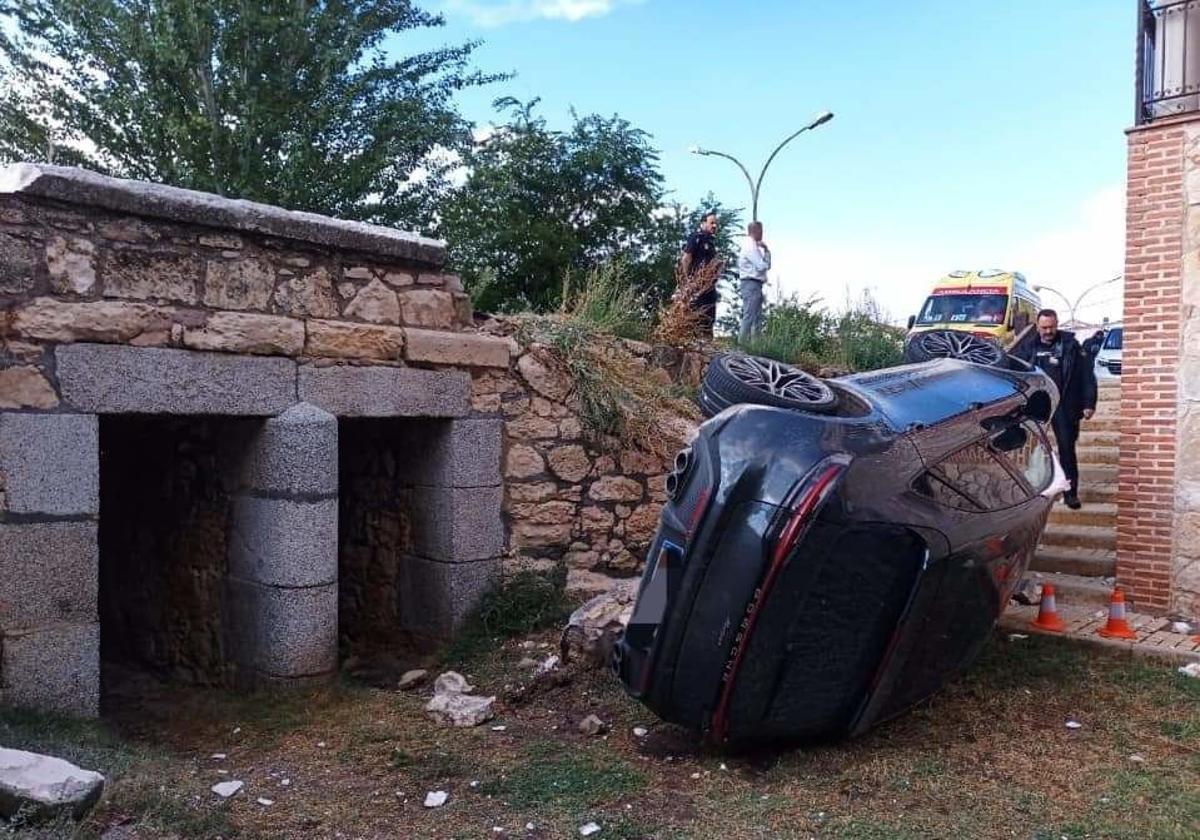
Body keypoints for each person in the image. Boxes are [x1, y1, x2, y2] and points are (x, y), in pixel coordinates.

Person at [1012, 309, 1097, 509]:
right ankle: (1030, 493)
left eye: (1051, 327)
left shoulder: (1070, 346)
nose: (1048, 331)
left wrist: (1089, 403)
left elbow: (1087, 376)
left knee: (1067, 449)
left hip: (1064, 405)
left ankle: (1070, 494)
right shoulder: (1027, 347)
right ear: (1038, 326)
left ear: (1057, 324)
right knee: (1029, 449)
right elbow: (1014, 373)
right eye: (1044, 328)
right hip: (1036, 407)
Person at [679, 211, 719, 337]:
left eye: (716, 224)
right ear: (703, 223)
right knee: (695, 319)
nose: (714, 226)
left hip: (709, 288)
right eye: (711, 223)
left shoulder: (711, 243)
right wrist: (687, 280)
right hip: (697, 286)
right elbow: (686, 258)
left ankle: (706, 350)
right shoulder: (696, 237)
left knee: (708, 320)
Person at [736, 221, 771, 342]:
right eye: (761, 231)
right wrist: (766, 255)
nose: (762, 234)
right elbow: (762, 266)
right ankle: (741, 345)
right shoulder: (750, 246)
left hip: (755, 284)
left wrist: (766, 252)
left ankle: (754, 346)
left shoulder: (753, 246)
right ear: (756, 231)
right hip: (751, 283)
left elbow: (764, 266)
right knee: (749, 315)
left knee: (756, 317)